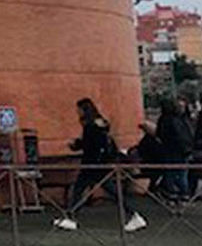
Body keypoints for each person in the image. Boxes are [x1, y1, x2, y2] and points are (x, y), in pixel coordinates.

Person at [54, 98, 147, 232]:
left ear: (84, 110)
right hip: (101, 162)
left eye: (79, 110)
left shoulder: (90, 126)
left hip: (92, 164)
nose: (77, 112)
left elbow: (90, 145)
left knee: (81, 190)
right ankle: (133, 215)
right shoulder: (101, 124)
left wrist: (76, 145)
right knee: (105, 191)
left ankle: (71, 218)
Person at [156, 98, 194, 201]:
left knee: (171, 172)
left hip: (170, 150)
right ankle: (183, 193)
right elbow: (184, 136)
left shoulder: (165, 120)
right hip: (181, 150)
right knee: (181, 173)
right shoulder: (180, 120)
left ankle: (173, 192)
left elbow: (159, 134)